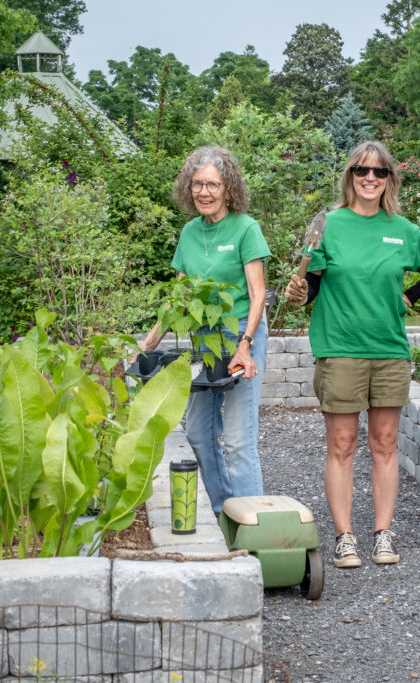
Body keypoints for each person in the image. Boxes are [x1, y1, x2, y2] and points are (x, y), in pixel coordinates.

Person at [284, 141, 420, 569]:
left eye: (379, 172)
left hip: (389, 350)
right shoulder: (329, 225)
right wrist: (300, 292)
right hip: (341, 348)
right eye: (362, 171)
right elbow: (312, 286)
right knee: (341, 444)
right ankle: (344, 537)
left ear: (389, 179)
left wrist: (409, 296)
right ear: (350, 176)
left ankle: (382, 534)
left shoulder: (402, 229)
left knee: (385, 443)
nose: (370, 178)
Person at [139, 146, 272, 516]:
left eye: (212, 184)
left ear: (228, 189)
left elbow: (259, 292)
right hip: (204, 342)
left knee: (239, 439)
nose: (204, 192)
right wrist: (148, 344)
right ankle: (223, 511)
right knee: (197, 431)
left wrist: (245, 344)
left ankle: (254, 525)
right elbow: (179, 300)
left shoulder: (246, 229)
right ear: (188, 187)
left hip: (240, 335)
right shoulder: (189, 233)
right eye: (197, 184)